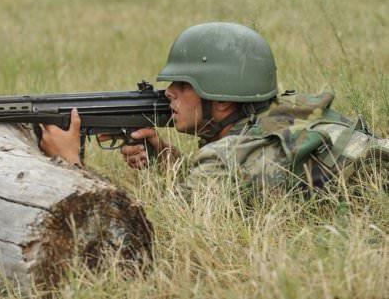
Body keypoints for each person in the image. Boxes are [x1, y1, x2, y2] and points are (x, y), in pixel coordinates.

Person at [39, 22, 389, 192]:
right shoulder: (288, 111)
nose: (168, 94)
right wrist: (168, 160)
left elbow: (142, 233)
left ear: (220, 97)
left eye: (182, 85)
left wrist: (70, 165)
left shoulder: (225, 161)